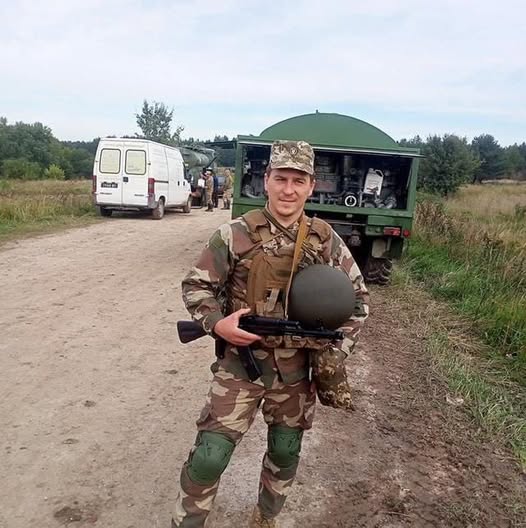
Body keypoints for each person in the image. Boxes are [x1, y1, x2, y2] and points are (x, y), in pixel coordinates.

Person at [172, 140, 370, 528]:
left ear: (311, 186)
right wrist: (218, 324)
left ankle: (265, 517)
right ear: (266, 180)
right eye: (281, 179)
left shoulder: (325, 240)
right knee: (210, 455)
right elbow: (196, 286)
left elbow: (359, 302)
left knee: (284, 451)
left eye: (298, 181)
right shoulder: (234, 234)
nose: (288, 189)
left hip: (296, 372)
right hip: (239, 367)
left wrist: (334, 353)